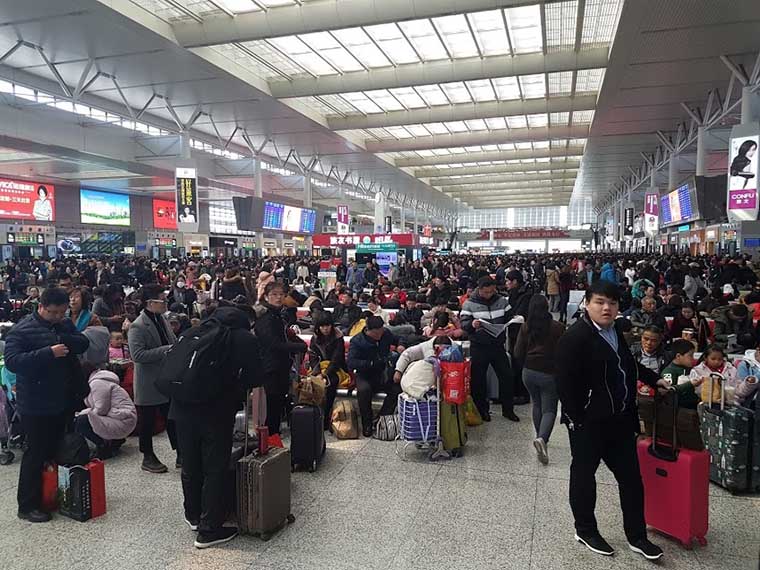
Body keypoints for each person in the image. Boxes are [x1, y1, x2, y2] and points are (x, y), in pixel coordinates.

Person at [555, 280, 666, 561]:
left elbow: (627, 364)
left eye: (613, 303)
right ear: (587, 304)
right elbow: (564, 383)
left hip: (620, 421)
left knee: (631, 479)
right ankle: (585, 529)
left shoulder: (616, 330)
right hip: (589, 424)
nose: (607, 308)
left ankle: (637, 536)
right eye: (600, 302)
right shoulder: (575, 337)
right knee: (584, 476)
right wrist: (577, 418)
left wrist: (654, 380)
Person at [172, 306, 261, 549]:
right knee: (215, 466)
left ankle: (193, 515)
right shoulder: (243, 338)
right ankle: (209, 529)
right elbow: (255, 377)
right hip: (215, 411)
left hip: (181, 408)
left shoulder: (194, 331)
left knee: (190, 462)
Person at [5, 287, 90, 522]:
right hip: (35, 403)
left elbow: (83, 343)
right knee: (36, 452)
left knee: (58, 449)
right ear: (41, 307)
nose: (57, 317)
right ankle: (27, 504)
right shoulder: (22, 331)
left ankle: (54, 494)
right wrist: (48, 353)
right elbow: (12, 362)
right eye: (53, 312)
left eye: (62, 312)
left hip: (62, 399)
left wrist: (63, 339)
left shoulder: (62, 326)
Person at [128, 284, 179, 473]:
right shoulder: (138, 326)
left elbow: (171, 340)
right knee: (147, 422)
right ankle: (147, 456)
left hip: (166, 378)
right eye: (162, 301)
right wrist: (166, 350)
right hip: (148, 382)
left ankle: (181, 453)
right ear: (150, 303)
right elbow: (137, 355)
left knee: (172, 418)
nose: (166, 303)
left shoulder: (161, 319)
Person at [514, 294, 564, 465]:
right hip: (549, 373)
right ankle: (543, 439)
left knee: (536, 404)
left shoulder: (526, 327)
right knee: (549, 409)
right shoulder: (558, 327)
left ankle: (538, 437)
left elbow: (517, 352)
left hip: (528, 372)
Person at [460, 276, 518, 422]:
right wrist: (471, 325)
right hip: (479, 347)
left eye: (492, 291)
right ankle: (482, 410)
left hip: (497, 346)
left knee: (507, 377)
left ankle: (508, 409)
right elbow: (464, 324)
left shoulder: (502, 301)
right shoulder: (469, 304)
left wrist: (513, 320)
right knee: (479, 380)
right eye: (486, 292)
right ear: (479, 290)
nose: (489, 294)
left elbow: (510, 316)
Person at [254, 281, 307, 441]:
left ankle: (272, 438)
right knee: (272, 407)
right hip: (271, 367)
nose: (278, 298)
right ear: (266, 296)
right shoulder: (265, 317)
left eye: (281, 295)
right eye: (274, 295)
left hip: (279, 366)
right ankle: (270, 440)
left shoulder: (276, 314)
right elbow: (273, 344)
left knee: (276, 405)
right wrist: (297, 347)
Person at [346, 316, 403, 437]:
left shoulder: (385, 334)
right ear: (368, 330)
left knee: (397, 389)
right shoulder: (357, 341)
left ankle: (381, 419)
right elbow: (351, 362)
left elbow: (398, 339)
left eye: (381, 332)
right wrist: (370, 363)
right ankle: (366, 423)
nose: (380, 335)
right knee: (364, 391)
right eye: (377, 333)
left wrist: (400, 344)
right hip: (365, 374)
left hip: (383, 373)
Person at [75, 368, 137, 458]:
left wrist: (82, 413)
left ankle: (103, 446)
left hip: (123, 419)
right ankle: (114, 441)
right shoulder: (98, 381)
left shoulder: (97, 383)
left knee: (81, 421)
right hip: (122, 417)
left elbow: (101, 409)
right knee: (84, 417)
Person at [307, 312, 346, 431]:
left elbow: (337, 359)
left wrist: (325, 374)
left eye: (327, 326)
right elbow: (313, 358)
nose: (325, 329)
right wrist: (318, 373)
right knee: (311, 384)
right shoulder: (315, 338)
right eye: (322, 326)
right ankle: (313, 417)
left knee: (330, 384)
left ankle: (326, 417)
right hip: (318, 369)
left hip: (335, 369)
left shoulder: (338, 338)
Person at [661, 339, 701, 409]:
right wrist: (690, 384)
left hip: (694, 404)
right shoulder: (669, 372)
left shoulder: (690, 369)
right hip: (680, 409)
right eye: (690, 356)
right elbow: (669, 392)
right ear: (678, 356)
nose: (693, 358)